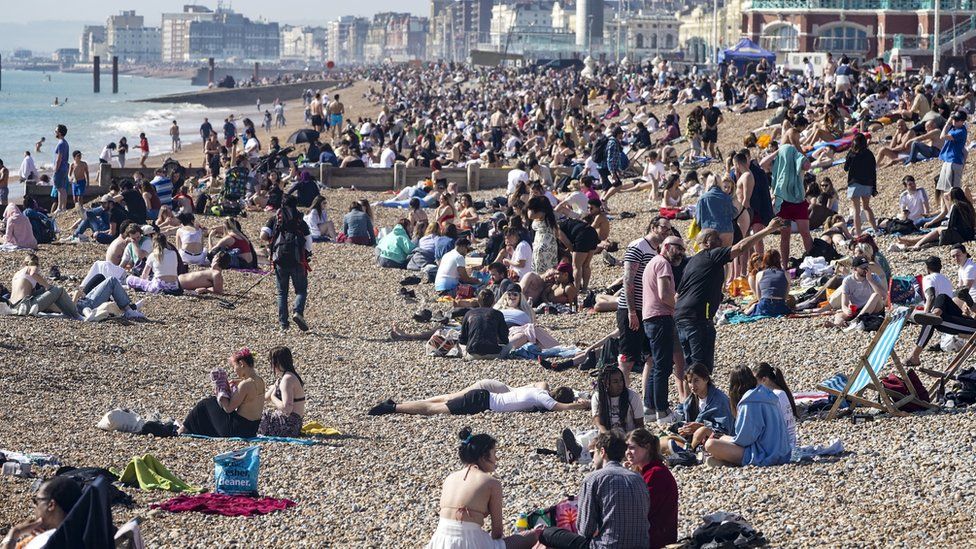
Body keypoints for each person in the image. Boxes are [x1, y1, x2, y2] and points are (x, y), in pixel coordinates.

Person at [675, 218, 784, 373]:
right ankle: (700, 397)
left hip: (682, 317)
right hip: (697, 319)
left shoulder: (692, 262)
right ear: (706, 243)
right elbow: (740, 247)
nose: (721, 241)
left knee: (691, 367)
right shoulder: (711, 255)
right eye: (716, 239)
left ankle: (691, 397)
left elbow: (678, 294)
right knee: (700, 369)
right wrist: (767, 230)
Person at [424, 428, 541, 549]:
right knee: (534, 535)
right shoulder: (491, 483)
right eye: (494, 453)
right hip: (470, 542)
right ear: (484, 456)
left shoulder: (450, 478)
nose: (496, 459)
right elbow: (497, 531)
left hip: (439, 541)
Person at [538, 429, 650, 549]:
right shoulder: (638, 479)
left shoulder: (594, 479)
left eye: (593, 453)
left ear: (602, 452)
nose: (592, 458)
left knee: (548, 534)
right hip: (642, 546)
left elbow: (585, 530)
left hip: (607, 547)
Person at [618, 217, 673, 381]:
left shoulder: (656, 251)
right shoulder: (638, 246)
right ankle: (621, 397)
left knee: (650, 357)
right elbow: (628, 280)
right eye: (664, 228)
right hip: (633, 309)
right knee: (627, 358)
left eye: (669, 229)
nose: (667, 232)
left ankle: (647, 400)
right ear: (653, 227)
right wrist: (632, 311)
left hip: (648, 310)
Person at [703, 366, 791, 467]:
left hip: (765, 455)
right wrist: (723, 438)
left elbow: (744, 440)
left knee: (710, 444)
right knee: (719, 441)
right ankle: (725, 461)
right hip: (783, 453)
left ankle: (726, 461)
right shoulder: (768, 396)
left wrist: (723, 438)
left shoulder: (749, 402)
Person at [641, 236, 686, 424]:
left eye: (683, 250)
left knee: (657, 363)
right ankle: (662, 410)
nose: (681, 253)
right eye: (678, 248)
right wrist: (679, 307)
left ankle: (650, 408)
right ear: (666, 246)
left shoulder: (653, 262)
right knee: (663, 366)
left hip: (650, 318)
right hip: (660, 317)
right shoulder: (663, 263)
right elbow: (664, 293)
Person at [368, 379, 586, 416]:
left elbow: (543, 384)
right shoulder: (542, 397)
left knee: (439, 402)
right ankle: (393, 407)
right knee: (434, 409)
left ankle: (396, 405)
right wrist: (581, 406)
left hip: (483, 396)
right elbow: (560, 408)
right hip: (481, 402)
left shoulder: (538, 389)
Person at [179, 347, 266, 438]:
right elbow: (250, 393)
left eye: (234, 366)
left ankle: (181, 430)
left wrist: (220, 390)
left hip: (236, 430)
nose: (234, 370)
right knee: (211, 405)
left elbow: (228, 408)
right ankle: (187, 429)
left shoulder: (244, 385)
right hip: (252, 430)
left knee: (206, 403)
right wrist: (239, 382)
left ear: (241, 364)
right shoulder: (260, 381)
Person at [261, 194, 312, 332]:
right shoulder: (300, 220)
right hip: (297, 260)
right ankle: (298, 312)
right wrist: (307, 254)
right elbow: (308, 240)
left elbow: (263, 235)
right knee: (301, 290)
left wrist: (272, 243)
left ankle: (284, 324)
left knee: (282, 292)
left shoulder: (275, 219)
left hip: (280, 260)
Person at [624, 429, 678, 549]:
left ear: (647, 447)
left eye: (632, 448)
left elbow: (642, 509)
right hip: (656, 535)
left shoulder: (655, 473)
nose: (628, 452)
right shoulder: (650, 471)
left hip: (654, 540)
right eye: (626, 448)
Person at [761, 144, 812, 270]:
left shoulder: (798, 162)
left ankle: (812, 259)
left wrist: (798, 154)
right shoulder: (778, 164)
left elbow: (808, 165)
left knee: (805, 232)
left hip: (798, 201)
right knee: (785, 235)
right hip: (784, 203)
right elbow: (762, 164)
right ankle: (784, 265)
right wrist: (778, 152)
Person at [0, 476, 82, 549]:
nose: (35, 506)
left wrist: (14, 533)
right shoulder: (81, 534)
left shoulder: (47, 541)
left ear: (51, 505)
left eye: (36, 501)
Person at [671, 362, 735, 451]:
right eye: (690, 382)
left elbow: (725, 429)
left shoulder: (720, 400)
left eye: (696, 380)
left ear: (706, 379)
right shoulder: (690, 401)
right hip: (696, 440)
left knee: (702, 431)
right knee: (666, 440)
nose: (692, 386)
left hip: (718, 441)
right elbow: (685, 419)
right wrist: (684, 429)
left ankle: (689, 452)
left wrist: (700, 426)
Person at [7, 253, 82, 319]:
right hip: (24, 305)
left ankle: (67, 308)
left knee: (44, 291)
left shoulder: (16, 274)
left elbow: (30, 294)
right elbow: (33, 273)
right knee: (59, 289)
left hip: (12, 307)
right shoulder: (32, 265)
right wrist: (48, 286)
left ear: (23, 263)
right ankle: (76, 315)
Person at [826, 256, 886, 329]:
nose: (866, 270)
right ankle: (839, 325)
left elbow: (883, 296)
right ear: (855, 269)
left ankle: (855, 321)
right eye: (863, 267)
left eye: (867, 267)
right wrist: (847, 310)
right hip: (857, 310)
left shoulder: (873, 277)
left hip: (875, 309)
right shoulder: (848, 281)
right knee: (839, 316)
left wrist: (870, 280)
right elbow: (844, 304)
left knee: (875, 295)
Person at [259, 346, 307, 437]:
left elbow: (287, 409)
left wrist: (273, 397)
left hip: (289, 426)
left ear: (276, 362)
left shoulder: (287, 380)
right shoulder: (285, 377)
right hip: (293, 424)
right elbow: (265, 397)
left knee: (255, 419)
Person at [753, 362, 798, 448]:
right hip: (790, 441)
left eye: (755, 382)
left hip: (782, 444)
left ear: (764, 379)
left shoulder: (775, 396)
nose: (754, 385)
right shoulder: (781, 392)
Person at [459, 290, 511, 360]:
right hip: (494, 354)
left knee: (458, 344)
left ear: (478, 301)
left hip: (473, 354)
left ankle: (464, 354)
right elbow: (504, 339)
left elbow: (462, 339)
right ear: (493, 302)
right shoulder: (498, 314)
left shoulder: (469, 313)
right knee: (510, 345)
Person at [843, 133, 878, 236]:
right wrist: (874, 187)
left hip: (854, 184)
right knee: (866, 207)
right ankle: (876, 230)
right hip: (867, 184)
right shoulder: (869, 154)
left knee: (856, 211)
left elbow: (845, 168)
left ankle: (858, 234)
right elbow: (873, 172)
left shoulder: (851, 153)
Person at [936, 111, 968, 202]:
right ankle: (949, 212)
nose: (954, 121)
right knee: (945, 189)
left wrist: (947, 123)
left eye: (957, 120)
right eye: (954, 119)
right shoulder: (954, 129)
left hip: (954, 162)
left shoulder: (960, 131)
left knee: (954, 191)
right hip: (948, 161)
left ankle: (959, 210)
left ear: (962, 121)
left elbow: (942, 137)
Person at [749, 250, 790, 317]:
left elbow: (759, 297)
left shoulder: (760, 274)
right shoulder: (786, 274)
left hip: (765, 305)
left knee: (753, 307)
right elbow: (785, 296)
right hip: (780, 306)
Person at [527, 196, 559, 274]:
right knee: (545, 269)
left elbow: (530, 215)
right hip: (544, 243)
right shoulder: (548, 214)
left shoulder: (542, 214)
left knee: (543, 271)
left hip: (545, 244)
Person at [52, 124, 70, 214]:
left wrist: (56, 169)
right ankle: (63, 207)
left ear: (59, 132)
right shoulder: (64, 143)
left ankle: (60, 207)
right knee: (62, 188)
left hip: (60, 168)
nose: (54, 132)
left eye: (55, 131)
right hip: (64, 168)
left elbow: (59, 158)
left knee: (60, 188)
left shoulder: (61, 143)